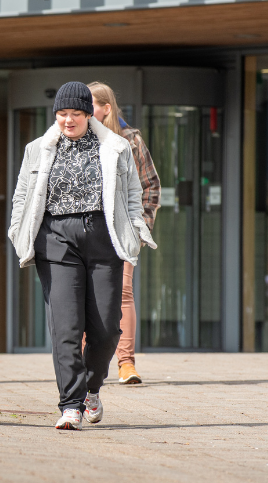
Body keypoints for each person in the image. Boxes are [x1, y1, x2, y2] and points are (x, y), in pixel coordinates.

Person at [8, 82, 155, 430]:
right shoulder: (38, 149)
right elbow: (22, 197)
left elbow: (134, 192)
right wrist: (18, 232)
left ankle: (91, 388)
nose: (67, 121)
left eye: (75, 114)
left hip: (104, 240)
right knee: (66, 327)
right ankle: (70, 404)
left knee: (106, 328)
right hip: (56, 241)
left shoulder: (116, 147)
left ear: (90, 114)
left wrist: (134, 230)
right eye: (61, 114)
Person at [88, 82, 161, 385]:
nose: (83, 110)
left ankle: (126, 363)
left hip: (123, 231)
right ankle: (86, 364)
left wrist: (139, 225)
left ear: (106, 108)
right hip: (89, 229)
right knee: (86, 294)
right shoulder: (79, 138)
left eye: (90, 104)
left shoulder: (130, 140)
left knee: (123, 293)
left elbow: (151, 186)